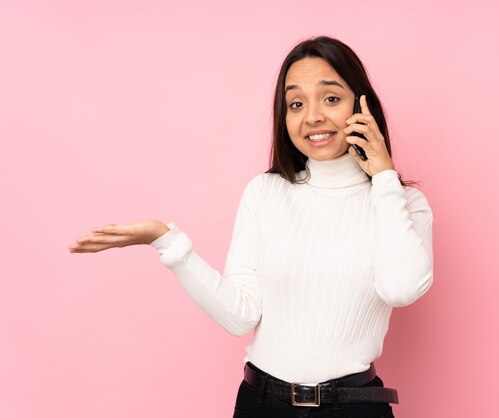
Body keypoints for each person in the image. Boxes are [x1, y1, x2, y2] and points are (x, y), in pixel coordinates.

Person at [69, 35, 433, 418]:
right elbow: (240, 313)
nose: (312, 116)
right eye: (296, 103)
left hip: (353, 409)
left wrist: (384, 179)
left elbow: (401, 288)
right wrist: (166, 241)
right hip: (262, 405)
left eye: (330, 98)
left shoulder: (403, 205)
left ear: (363, 106)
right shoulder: (265, 193)